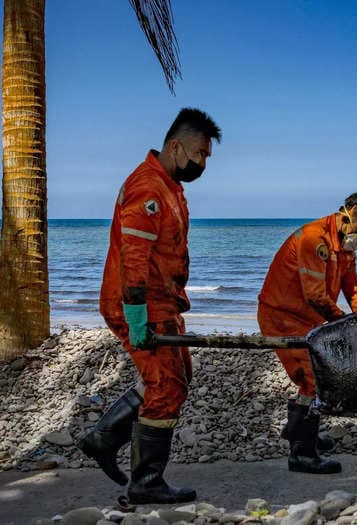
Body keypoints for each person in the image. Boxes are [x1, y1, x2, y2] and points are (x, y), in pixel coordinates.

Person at [77, 108, 221, 504]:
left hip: (162, 302)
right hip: (138, 303)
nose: (203, 163)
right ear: (175, 146)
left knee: (179, 375)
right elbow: (134, 258)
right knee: (166, 386)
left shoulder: (171, 187)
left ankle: (104, 438)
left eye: (207, 156)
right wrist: (136, 316)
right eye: (200, 154)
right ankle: (145, 483)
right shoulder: (148, 189)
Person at [257, 191, 357, 474]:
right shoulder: (313, 239)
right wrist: (345, 324)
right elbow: (316, 296)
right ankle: (301, 455)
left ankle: (298, 431)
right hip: (282, 315)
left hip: (308, 318)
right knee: (313, 378)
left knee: (315, 375)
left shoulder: (345, 248)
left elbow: (353, 288)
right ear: (348, 214)